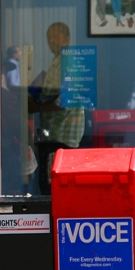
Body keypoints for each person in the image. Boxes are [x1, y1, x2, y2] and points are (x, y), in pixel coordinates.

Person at [27, 23, 84, 193]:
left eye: (56, 36)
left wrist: (35, 106)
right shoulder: (57, 61)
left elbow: (61, 102)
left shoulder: (69, 62)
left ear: (67, 39)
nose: (52, 40)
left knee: (55, 190)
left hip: (62, 135)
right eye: (49, 37)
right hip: (52, 134)